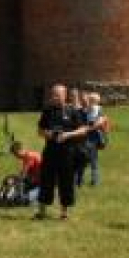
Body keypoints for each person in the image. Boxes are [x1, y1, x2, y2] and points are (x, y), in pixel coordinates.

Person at [35, 84, 88, 220]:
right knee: (46, 181)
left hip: (67, 152)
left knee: (66, 182)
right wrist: (50, 134)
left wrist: (67, 135)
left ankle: (64, 213)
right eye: (53, 94)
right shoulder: (48, 110)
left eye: (57, 95)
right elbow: (40, 131)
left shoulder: (72, 111)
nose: (54, 97)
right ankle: (42, 211)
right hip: (50, 151)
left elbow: (83, 130)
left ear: (64, 96)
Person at [77, 92, 106, 186]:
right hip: (84, 137)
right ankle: (79, 180)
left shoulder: (98, 110)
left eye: (90, 100)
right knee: (83, 159)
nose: (88, 101)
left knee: (92, 159)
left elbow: (99, 122)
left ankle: (95, 180)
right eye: (89, 100)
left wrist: (88, 128)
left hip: (93, 137)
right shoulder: (83, 110)